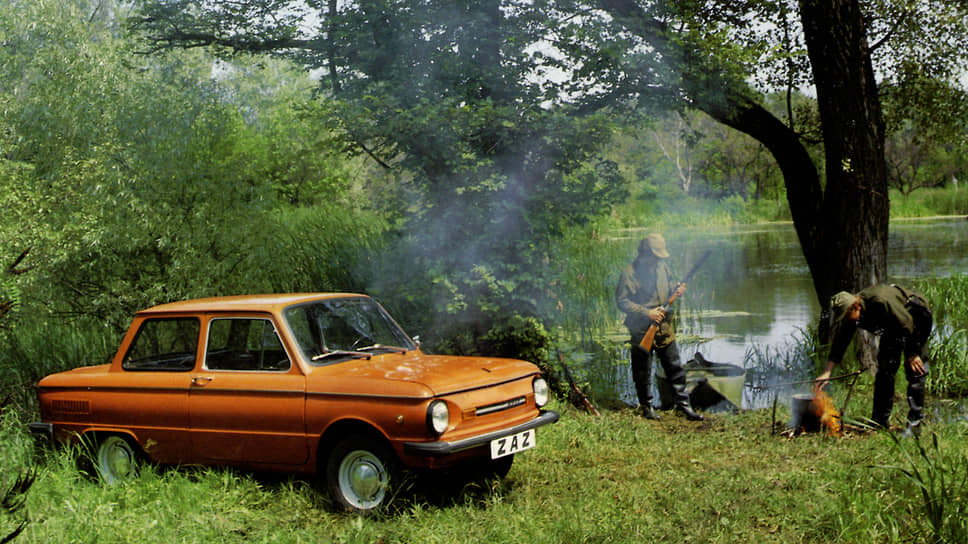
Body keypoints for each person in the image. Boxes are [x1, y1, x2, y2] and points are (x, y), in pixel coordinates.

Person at [815, 284, 932, 435]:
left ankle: (914, 426)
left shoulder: (880, 301)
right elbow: (841, 341)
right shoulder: (851, 312)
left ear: (855, 307)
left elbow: (906, 323)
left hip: (916, 319)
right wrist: (827, 371)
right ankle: (879, 422)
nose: (845, 319)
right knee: (885, 371)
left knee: (916, 370)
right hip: (893, 326)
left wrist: (913, 353)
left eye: (845, 315)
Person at [616, 234, 703, 421]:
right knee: (642, 371)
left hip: (664, 328)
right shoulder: (629, 273)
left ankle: (683, 405)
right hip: (641, 329)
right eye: (655, 256)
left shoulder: (662, 267)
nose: (658, 260)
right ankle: (646, 407)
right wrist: (647, 313)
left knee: (675, 367)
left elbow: (669, 284)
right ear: (645, 253)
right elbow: (622, 301)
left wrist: (677, 289)